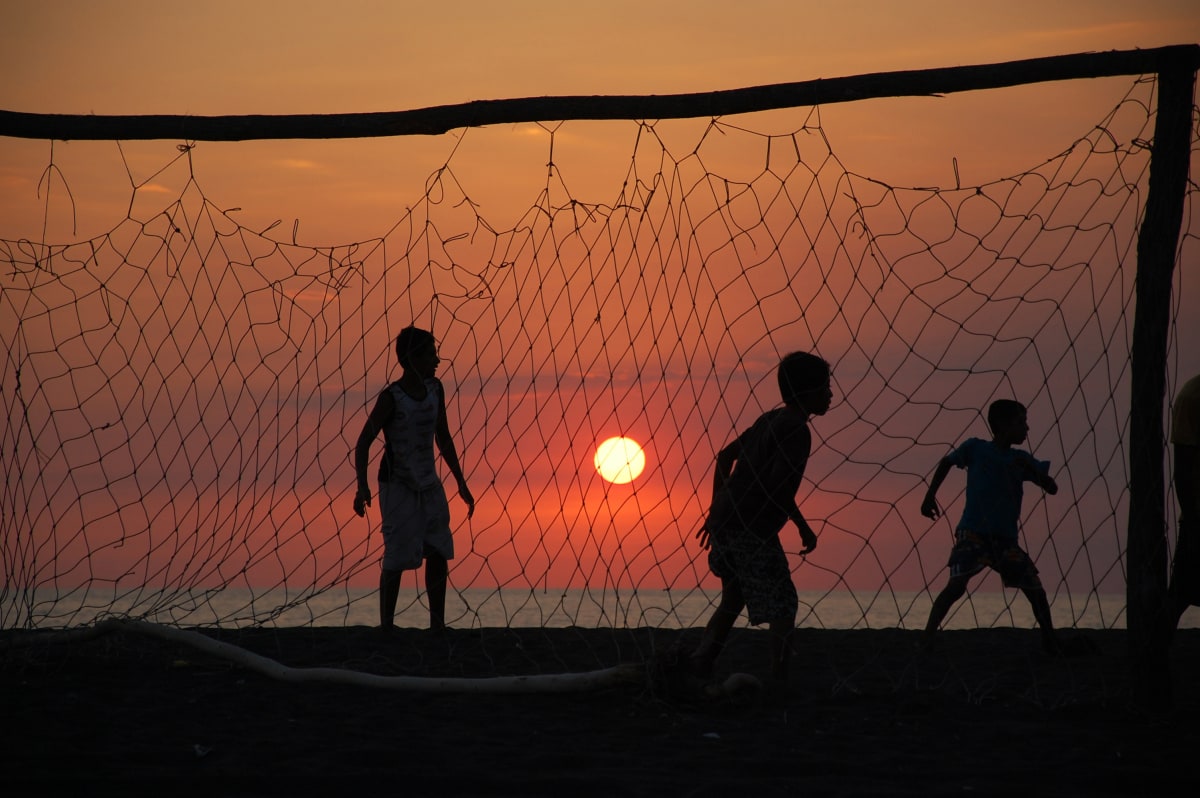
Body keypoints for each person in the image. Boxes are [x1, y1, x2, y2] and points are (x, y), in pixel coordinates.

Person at [689, 351, 833, 684]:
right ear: (806, 392)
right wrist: (803, 527)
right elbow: (777, 488)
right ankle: (778, 679)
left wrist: (715, 510)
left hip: (727, 523)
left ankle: (701, 662)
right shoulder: (796, 429)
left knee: (734, 596)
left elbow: (725, 457)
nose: (830, 395)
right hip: (750, 529)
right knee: (783, 603)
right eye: (825, 387)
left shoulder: (770, 420)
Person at [353, 326, 475, 633]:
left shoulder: (436, 389)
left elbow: (443, 438)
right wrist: (362, 486)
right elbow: (364, 442)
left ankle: (437, 624)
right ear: (412, 358)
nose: (437, 360)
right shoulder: (392, 397)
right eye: (431, 354)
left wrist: (460, 482)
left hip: (428, 481)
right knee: (397, 551)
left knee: (437, 548)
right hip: (397, 484)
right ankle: (387, 625)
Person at [920, 399, 1061, 654]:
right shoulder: (976, 448)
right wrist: (930, 496)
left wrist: (1033, 471)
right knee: (956, 585)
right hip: (972, 532)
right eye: (1021, 422)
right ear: (1002, 425)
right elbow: (946, 462)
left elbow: (1052, 488)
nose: (1027, 428)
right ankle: (927, 637)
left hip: (1005, 540)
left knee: (1034, 587)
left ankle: (1050, 640)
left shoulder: (1021, 459)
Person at [1168, 373, 1200, 630]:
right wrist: (1192, 520)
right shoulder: (1192, 396)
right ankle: (1155, 660)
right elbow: (1183, 468)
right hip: (1197, 516)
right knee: (1180, 593)